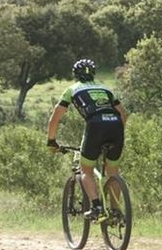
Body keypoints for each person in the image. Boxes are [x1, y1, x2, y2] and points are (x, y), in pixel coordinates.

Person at [46, 59, 127, 220]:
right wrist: (116, 133)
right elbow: (123, 114)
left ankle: (96, 207)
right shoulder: (105, 88)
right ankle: (115, 212)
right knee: (113, 172)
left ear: (75, 74)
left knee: (86, 170)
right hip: (116, 126)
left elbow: (55, 118)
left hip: (95, 125)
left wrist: (51, 140)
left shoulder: (72, 89)